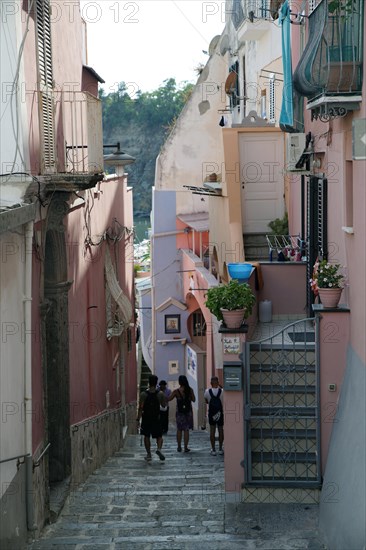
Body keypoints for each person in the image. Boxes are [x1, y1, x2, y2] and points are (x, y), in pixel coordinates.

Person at [136, 374, 166, 461]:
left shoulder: (143, 394)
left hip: (146, 418)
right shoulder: (160, 394)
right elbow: (163, 405)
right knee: (159, 436)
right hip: (156, 418)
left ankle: (149, 454)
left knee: (146, 436)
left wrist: (138, 419)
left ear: (149, 383)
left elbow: (140, 408)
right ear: (156, 383)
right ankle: (159, 449)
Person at [168, 375, 196, 453]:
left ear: (179, 382)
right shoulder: (190, 390)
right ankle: (186, 447)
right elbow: (194, 400)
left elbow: (169, 399)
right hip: (188, 412)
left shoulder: (176, 391)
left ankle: (179, 447)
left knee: (179, 429)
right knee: (186, 429)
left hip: (180, 412)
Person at [204, 376, 224, 456]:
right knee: (220, 430)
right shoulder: (222, 391)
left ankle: (213, 449)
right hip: (220, 413)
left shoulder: (207, 391)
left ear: (211, 383)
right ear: (218, 383)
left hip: (211, 413)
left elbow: (206, 401)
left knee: (212, 431)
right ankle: (220, 448)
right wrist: (221, 386)